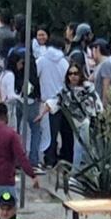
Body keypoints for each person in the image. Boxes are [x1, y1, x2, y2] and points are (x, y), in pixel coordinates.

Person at [0, 103, 39, 219]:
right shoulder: (11, 134)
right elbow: (21, 157)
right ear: (6, 116)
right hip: (4, 181)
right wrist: (32, 175)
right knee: (7, 218)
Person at [39, 64, 101, 167]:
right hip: (76, 125)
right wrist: (42, 113)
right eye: (70, 74)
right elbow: (56, 101)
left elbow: (96, 104)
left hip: (90, 123)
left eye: (76, 73)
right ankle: (76, 173)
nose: (73, 76)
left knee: (86, 150)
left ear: (80, 74)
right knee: (78, 149)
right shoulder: (66, 91)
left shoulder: (88, 88)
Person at [37, 36, 70, 167]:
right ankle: (61, 158)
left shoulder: (41, 60)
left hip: (46, 102)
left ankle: (49, 158)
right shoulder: (64, 62)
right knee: (60, 132)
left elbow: (36, 76)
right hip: (61, 100)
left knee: (48, 133)